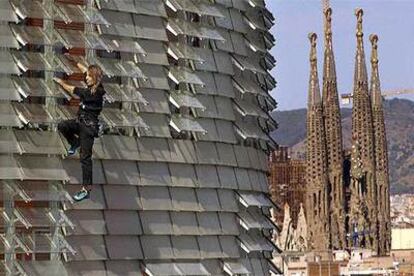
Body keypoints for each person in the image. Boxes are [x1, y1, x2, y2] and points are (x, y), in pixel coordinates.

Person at [54, 62, 105, 202]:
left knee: (85, 158)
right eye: (87, 75)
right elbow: (85, 70)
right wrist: (74, 61)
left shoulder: (91, 93)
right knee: (63, 126)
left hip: (88, 129)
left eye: (89, 76)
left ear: (95, 78)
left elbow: (71, 89)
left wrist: (60, 81)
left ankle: (86, 189)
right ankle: (74, 142)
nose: (86, 78)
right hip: (79, 123)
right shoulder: (97, 85)